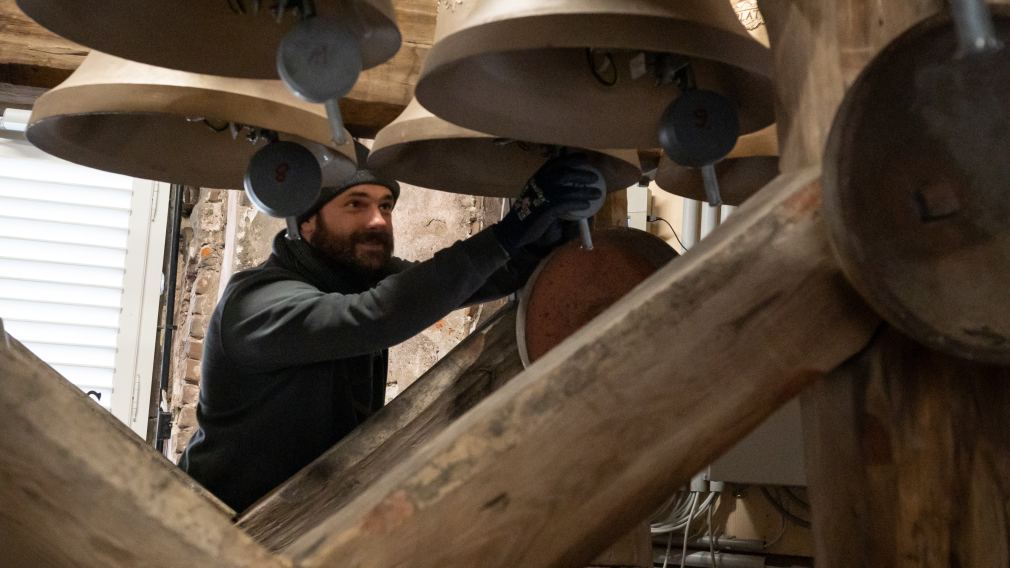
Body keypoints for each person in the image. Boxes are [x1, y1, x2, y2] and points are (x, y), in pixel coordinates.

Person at [179, 153, 606, 513]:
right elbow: (376, 315)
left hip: (302, 523)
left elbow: (475, 280)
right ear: (305, 221)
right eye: (356, 205)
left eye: (386, 206)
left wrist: (545, 232)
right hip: (215, 529)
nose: (378, 221)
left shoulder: (355, 279)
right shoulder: (255, 304)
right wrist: (509, 231)